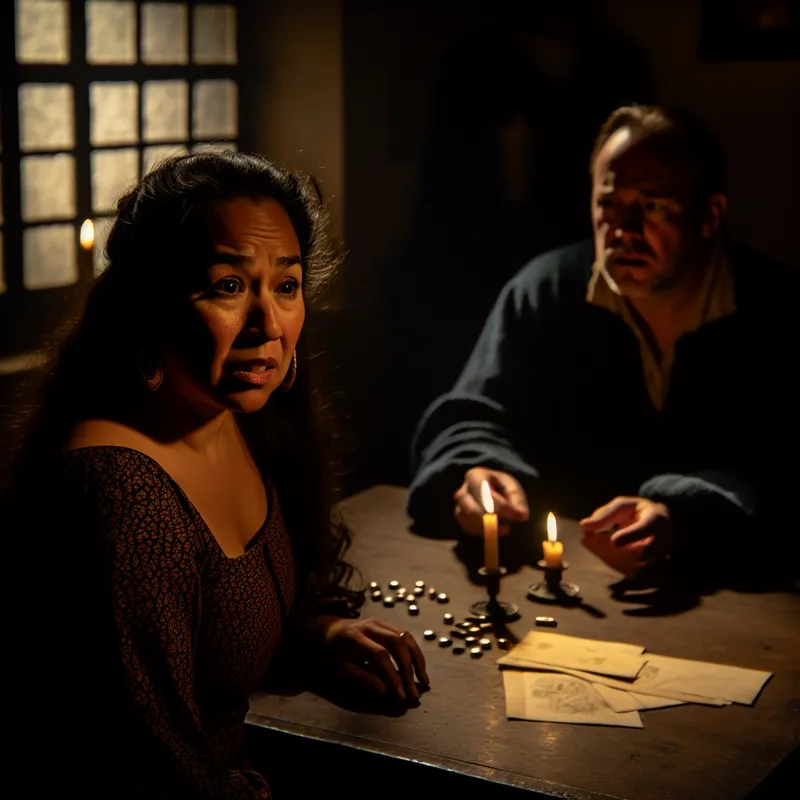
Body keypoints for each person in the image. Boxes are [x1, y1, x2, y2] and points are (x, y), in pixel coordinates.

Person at [4, 152, 429, 797]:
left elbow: (213, 638)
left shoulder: (236, 419)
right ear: (152, 302)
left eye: (286, 287)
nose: (268, 325)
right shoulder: (123, 491)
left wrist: (316, 636)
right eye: (228, 287)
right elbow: (155, 768)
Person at [407, 104, 797, 578]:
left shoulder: (774, 310)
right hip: (559, 584)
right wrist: (478, 471)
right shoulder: (545, 291)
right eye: (609, 204)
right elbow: (472, 416)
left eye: (651, 207)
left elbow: (783, 476)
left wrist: (688, 516)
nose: (623, 231)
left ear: (708, 216)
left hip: (735, 598)